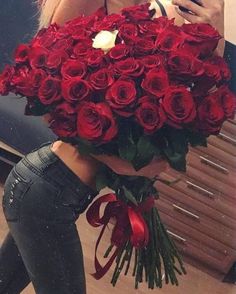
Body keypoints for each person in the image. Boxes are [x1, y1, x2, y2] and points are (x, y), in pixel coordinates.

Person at [0, 1, 226, 293]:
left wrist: (214, 35)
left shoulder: (172, 10)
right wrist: (120, 163)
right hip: (45, 192)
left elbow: (205, 96)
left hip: (56, 195)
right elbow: (44, 90)